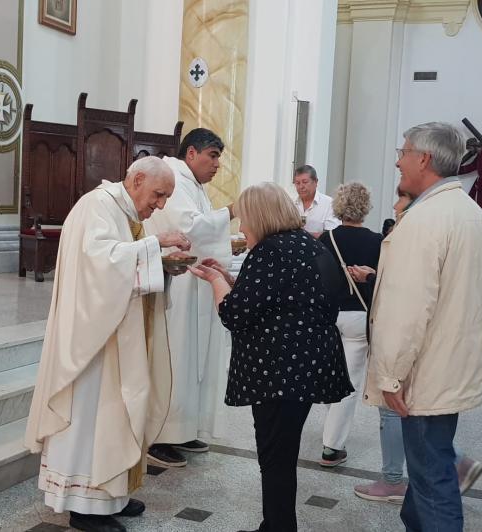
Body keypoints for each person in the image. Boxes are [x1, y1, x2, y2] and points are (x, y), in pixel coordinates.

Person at [23, 157, 191, 532]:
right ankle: (84, 504)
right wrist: (153, 245)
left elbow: (125, 266)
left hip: (117, 335)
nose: (160, 205)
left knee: (116, 415)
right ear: (138, 179)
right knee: (93, 418)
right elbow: (98, 265)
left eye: (165, 198)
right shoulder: (96, 206)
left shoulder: (125, 211)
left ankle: (110, 492)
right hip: (92, 344)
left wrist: (162, 263)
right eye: (158, 195)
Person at [190, 182, 353, 532]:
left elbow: (234, 314)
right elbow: (283, 299)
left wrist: (216, 284)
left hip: (281, 370)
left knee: (275, 457)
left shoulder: (270, 250)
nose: (242, 228)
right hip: (309, 364)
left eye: (245, 219)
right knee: (281, 453)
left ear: (259, 217)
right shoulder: (307, 244)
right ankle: (275, 525)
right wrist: (230, 278)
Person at [364, 122, 482, 532]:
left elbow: (407, 310)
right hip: (449, 363)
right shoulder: (468, 212)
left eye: (403, 151)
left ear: (424, 158)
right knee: (426, 473)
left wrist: (391, 375)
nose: (398, 160)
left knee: (433, 479)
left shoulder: (423, 221)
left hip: (422, 372)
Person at [351, 188, 482, 505]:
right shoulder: (462, 217)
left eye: (399, 198)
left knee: (399, 416)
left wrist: (391, 374)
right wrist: (373, 279)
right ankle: (452, 465)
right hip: (437, 351)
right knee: (418, 424)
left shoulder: (416, 232)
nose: (394, 205)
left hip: (412, 352)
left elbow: (407, 305)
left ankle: (398, 479)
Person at [143, 128, 235, 468]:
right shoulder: (176, 180)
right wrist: (231, 212)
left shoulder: (194, 185)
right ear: (192, 153)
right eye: (213, 156)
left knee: (193, 362)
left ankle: (183, 429)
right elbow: (192, 229)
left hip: (195, 283)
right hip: (177, 287)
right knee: (177, 359)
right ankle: (160, 435)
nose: (217, 165)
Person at [315, 182, 383, 467]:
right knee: (350, 381)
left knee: (332, 371)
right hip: (359, 315)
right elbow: (382, 281)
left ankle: (331, 426)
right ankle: (332, 446)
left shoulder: (325, 239)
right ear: (365, 207)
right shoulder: (377, 241)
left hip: (329, 314)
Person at [293, 164, 340, 237]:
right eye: (297, 183)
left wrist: (304, 236)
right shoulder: (290, 203)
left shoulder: (329, 204)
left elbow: (333, 235)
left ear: (315, 182)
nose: (301, 187)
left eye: (305, 182)